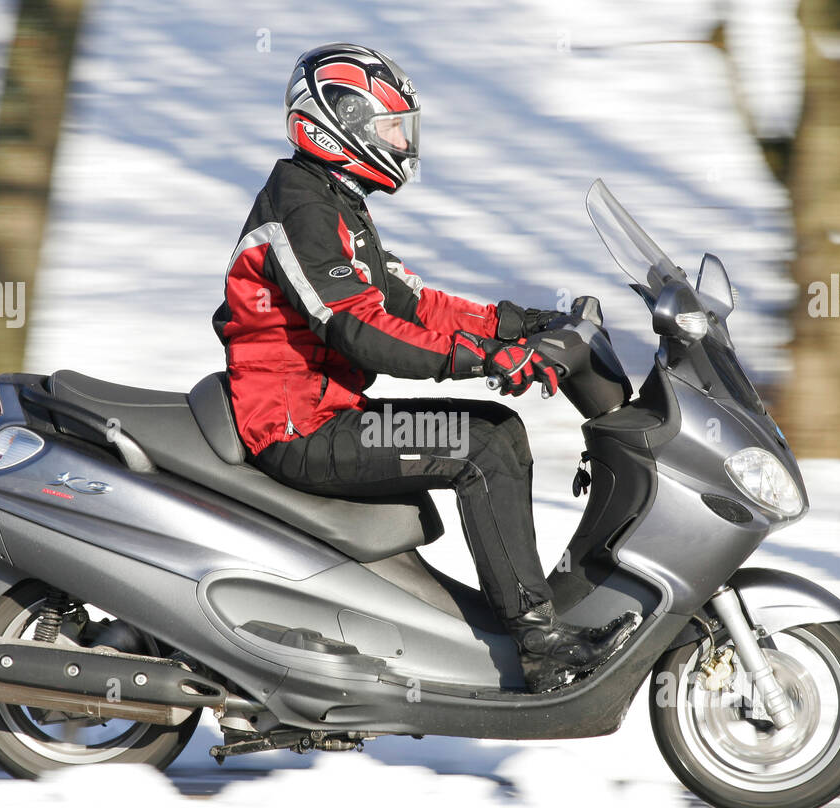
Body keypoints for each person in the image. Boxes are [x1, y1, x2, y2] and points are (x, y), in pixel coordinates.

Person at [212, 43, 635, 692]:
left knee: (494, 430)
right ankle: (538, 646)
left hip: (328, 415)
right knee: (484, 444)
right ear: (337, 121)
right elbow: (358, 330)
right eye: (388, 126)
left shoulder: (335, 201)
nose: (403, 144)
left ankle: (523, 626)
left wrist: (523, 324)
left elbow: (415, 302)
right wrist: (486, 360)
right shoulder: (300, 211)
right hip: (298, 432)